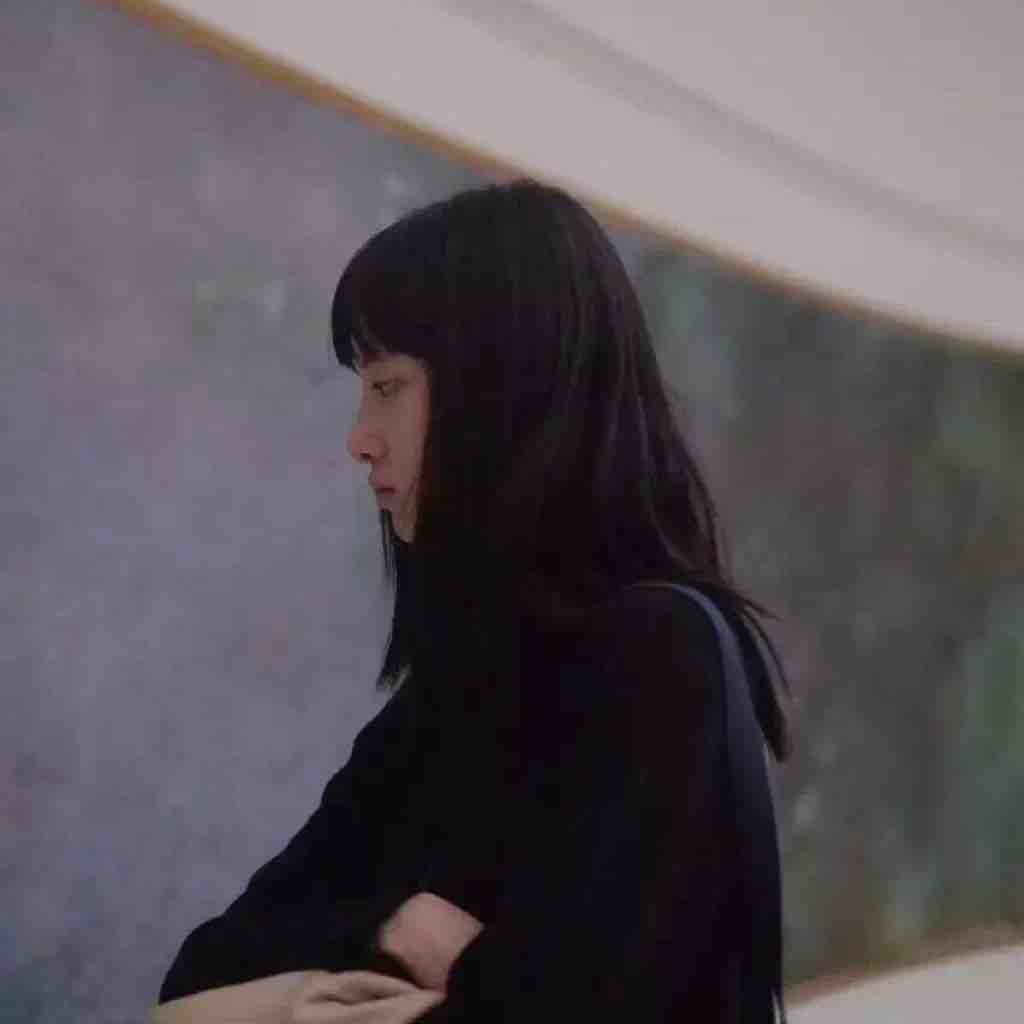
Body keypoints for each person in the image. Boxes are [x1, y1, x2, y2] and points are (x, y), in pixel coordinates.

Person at [156, 178, 791, 1021]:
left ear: (502, 390)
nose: (358, 440)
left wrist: (390, 965)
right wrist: (408, 930)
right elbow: (201, 976)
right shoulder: (453, 691)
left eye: (387, 387)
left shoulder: (662, 657)